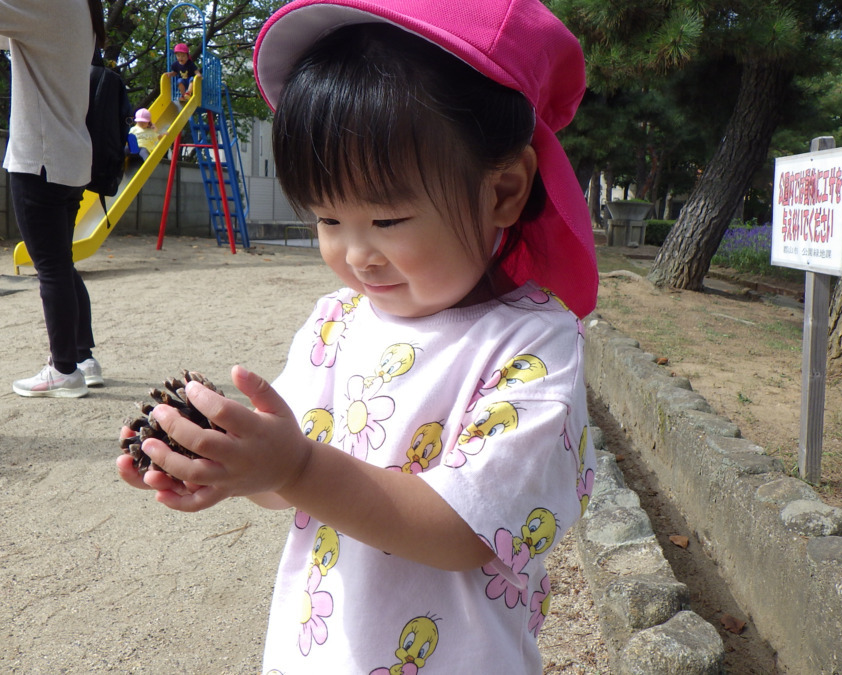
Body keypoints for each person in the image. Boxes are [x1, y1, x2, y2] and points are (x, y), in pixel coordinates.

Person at [116, 0, 598, 671]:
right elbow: (284, 479)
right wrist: (228, 463)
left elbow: (467, 527)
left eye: (389, 218)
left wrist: (299, 466)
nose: (356, 253)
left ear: (504, 191)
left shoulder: (531, 345)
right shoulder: (337, 321)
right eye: (328, 218)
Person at [0, 0, 105, 398]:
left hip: (39, 158)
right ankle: (82, 358)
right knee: (61, 263)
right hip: (69, 157)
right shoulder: (79, 12)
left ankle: (63, 370)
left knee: (51, 268)